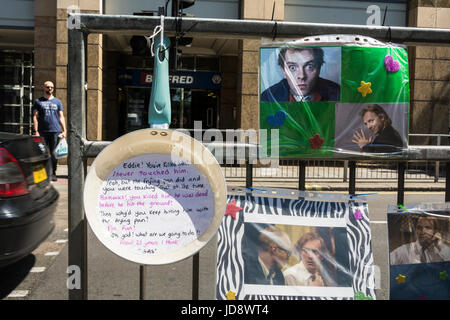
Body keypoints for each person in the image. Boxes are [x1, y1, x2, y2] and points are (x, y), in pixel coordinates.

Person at [261, 47, 340, 102]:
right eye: (292, 68)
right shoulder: (268, 98)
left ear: (319, 69)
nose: (301, 76)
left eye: (309, 67)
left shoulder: (338, 95)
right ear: (283, 71)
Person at [32, 81, 66, 181]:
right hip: (42, 131)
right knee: (41, 153)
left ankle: (53, 173)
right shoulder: (38, 101)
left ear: (53, 89)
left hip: (55, 131)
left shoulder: (58, 102)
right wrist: (36, 131)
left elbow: (61, 117)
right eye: (48, 87)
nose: (50, 89)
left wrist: (64, 130)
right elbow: (35, 116)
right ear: (44, 88)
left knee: (54, 154)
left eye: (51, 87)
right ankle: (41, 174)